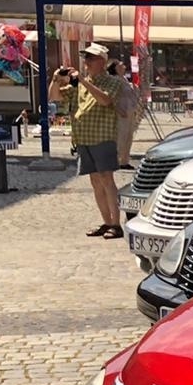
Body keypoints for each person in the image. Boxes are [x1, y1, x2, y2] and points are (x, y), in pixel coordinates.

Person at [52, 42, 126, 238]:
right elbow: (55, 97)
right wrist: (56, 80)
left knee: (107, 180)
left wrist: (83, 81)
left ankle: (116, 224)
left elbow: (105, 100)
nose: (86, 61)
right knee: (95, 182)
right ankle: (106, 222)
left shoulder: (113, 82)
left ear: (102, 61)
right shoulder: (79, 84)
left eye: (91, 58)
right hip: (84, 139)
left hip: (102, 138)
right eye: (86, 58)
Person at [108, 60, 142, 170]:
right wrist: (118, 109)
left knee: (129, 137)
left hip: (130, 111)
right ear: (115, 68)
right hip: (121, 112)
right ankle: (115, 160)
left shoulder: (125, 79)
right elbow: (111, 97)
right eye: (120, 64)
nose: (123, 65)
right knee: (121, 137)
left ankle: (124, 161)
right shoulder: (114, 80)